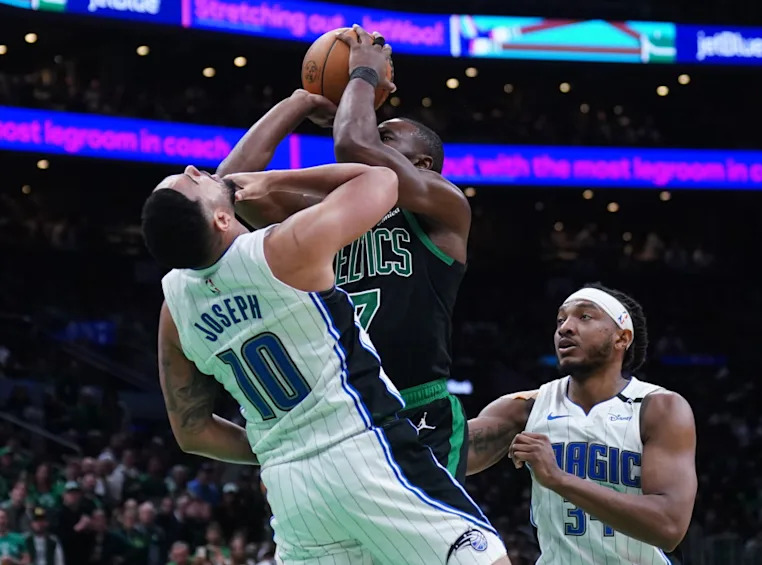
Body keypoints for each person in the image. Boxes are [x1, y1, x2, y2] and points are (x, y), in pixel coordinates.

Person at [141, 160, 507, 565]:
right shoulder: (281, 248)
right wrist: (274, 180)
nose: (193, 168)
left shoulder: (173, 310)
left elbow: (192, 431)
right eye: (189, 182)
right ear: (223, 220)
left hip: (289, 487)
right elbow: (383, 179)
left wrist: (277, 447)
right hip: (366, 452)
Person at [217, 24, 473, 482]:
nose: (375, 135)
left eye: (389, 138)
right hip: (340, 408)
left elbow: (354, 143)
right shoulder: (330, 214)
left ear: (422, 165)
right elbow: (229, 190)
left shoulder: (445, 205)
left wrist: (363, 75)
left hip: (418, 408)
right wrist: (301, 101)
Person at [466, 284, 698, 564]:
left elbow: (669, 527)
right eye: (561, 320)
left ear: (622, 338)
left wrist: (559, 478)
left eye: (585, 317)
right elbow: (446, 453)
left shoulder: (659, 408)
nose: (565, 328)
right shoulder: (524, 408)